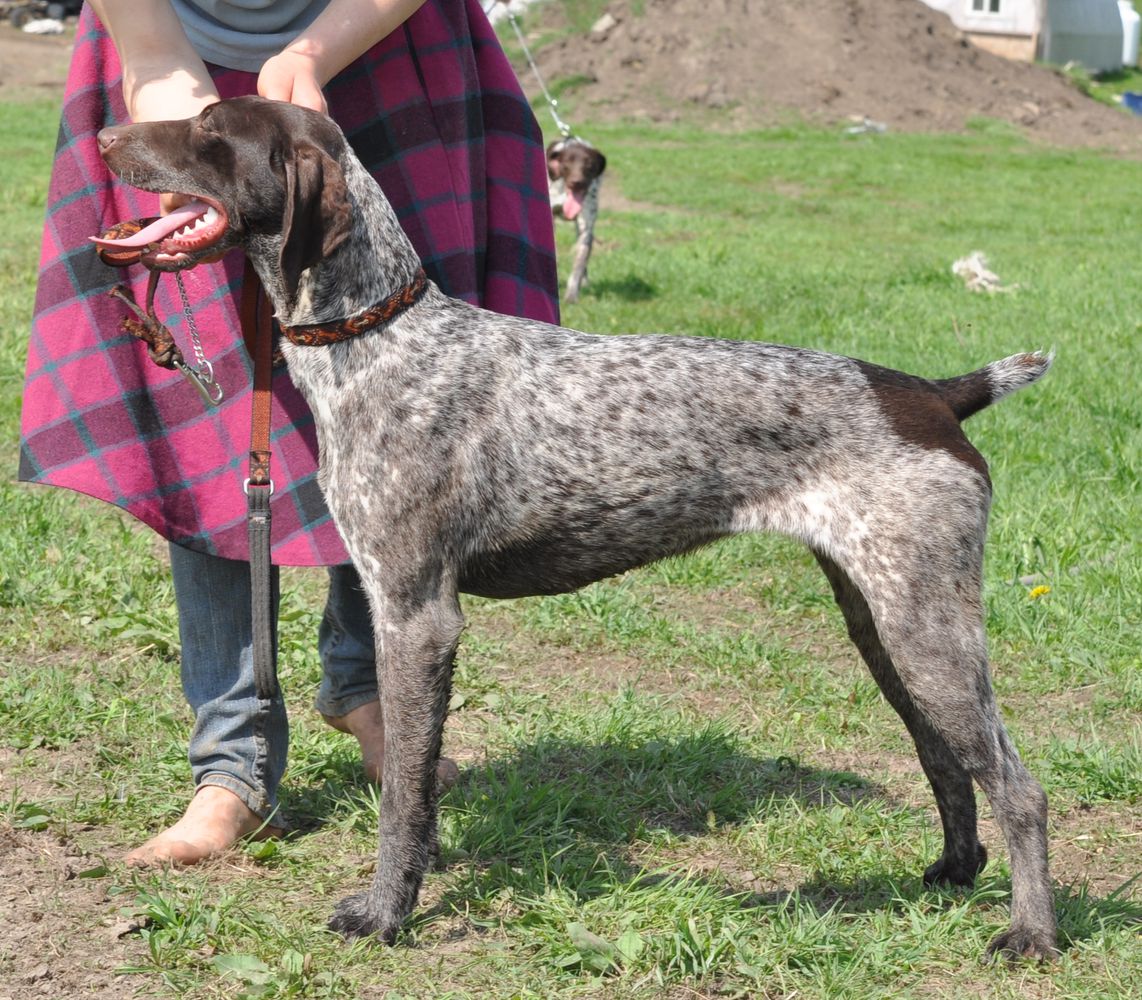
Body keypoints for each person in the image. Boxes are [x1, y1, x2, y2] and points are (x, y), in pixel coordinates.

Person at [19, 0, 559, 865]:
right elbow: (154, 48)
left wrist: (314, 51)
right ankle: (232, 766)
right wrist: (174, 111)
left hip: (382, 39)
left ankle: (369, 690)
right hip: (172, 54)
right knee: (212, 414)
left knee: (401, 396)